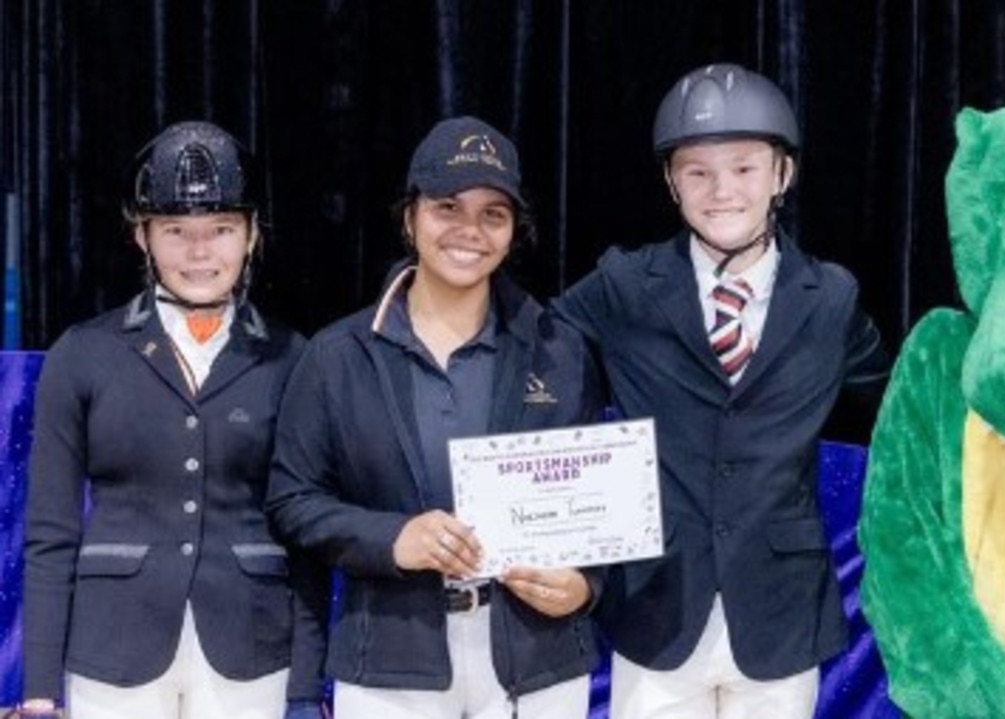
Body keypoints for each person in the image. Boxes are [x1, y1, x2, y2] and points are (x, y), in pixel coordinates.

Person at [554, 63, 892, 719]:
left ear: (781, 174)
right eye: (697, 171)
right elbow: (527, 357)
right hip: (656, 608)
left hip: (780, 612)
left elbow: (906, 404)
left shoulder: (829, 298)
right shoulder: (624, 285)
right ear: (670, 181)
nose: (721, 190)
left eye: (742, 168)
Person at [265, 116, 605, 719]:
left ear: (513, 231)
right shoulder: (339, 355)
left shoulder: (560, 349)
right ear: (410, 217)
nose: (469, 231)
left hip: (538, 661)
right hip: (390, 661)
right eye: (448, 206)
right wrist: (394, 538)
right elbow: (293, 501)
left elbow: (598, 501)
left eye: (493, 214)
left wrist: (585, 587)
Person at [20, 121, 327, 719]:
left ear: (253, 235)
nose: (199, 252)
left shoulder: (294, 357)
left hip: (251, 649)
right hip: (112, 649)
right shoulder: (83, 352)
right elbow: (50, 535)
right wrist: (38, 690)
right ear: (142, 236)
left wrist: (305, 687)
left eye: (220, 231)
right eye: (176, 231)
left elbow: (307, 537)